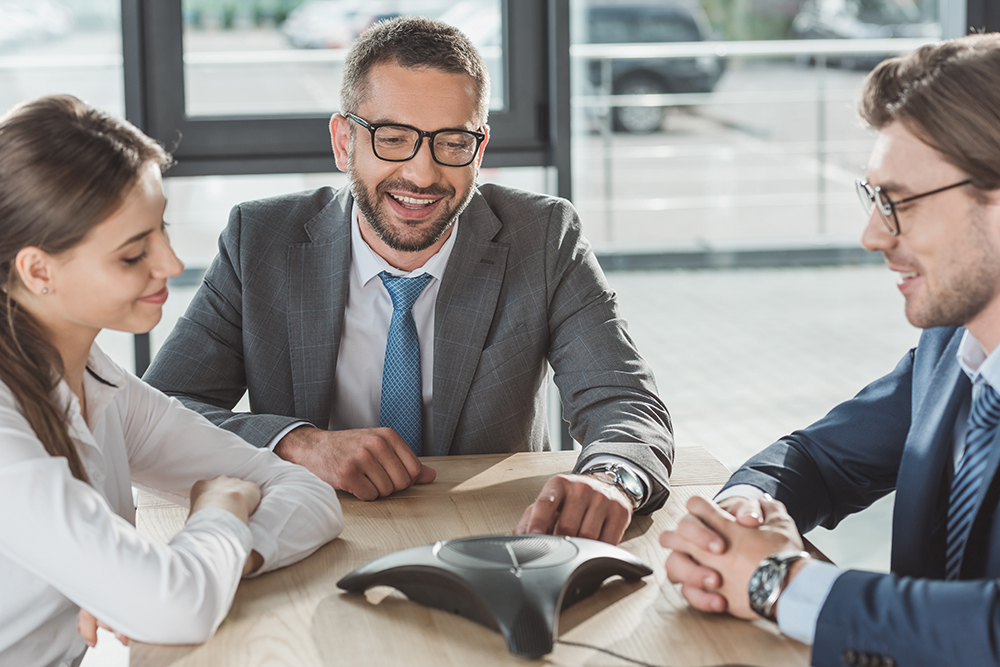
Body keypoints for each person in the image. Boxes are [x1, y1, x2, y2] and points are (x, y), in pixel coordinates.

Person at [143, 16, 672, 545]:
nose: (422, 174)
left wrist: (612, 479)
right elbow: (159, 412)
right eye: (392, 138)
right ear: (343, 140)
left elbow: (624, 401)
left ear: (479, 149)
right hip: (313, 535)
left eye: (452, 142)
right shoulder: (258, 240)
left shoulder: (544, 237)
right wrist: (298, 444)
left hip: (494, 539)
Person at [660, 33, 1000, 667]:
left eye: (898, 203)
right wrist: (748, 514)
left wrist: (781, 584)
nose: (873, 235)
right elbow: (819, 458)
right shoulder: (954, 346)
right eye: (874, 199)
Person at [0, 95, 344, 667]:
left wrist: (216, 552)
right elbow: (178, 605)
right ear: (39, 271)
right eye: (133, 255)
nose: (170, 262)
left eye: (159, 229)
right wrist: (219, 511)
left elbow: (309, 495)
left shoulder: (95, 377)